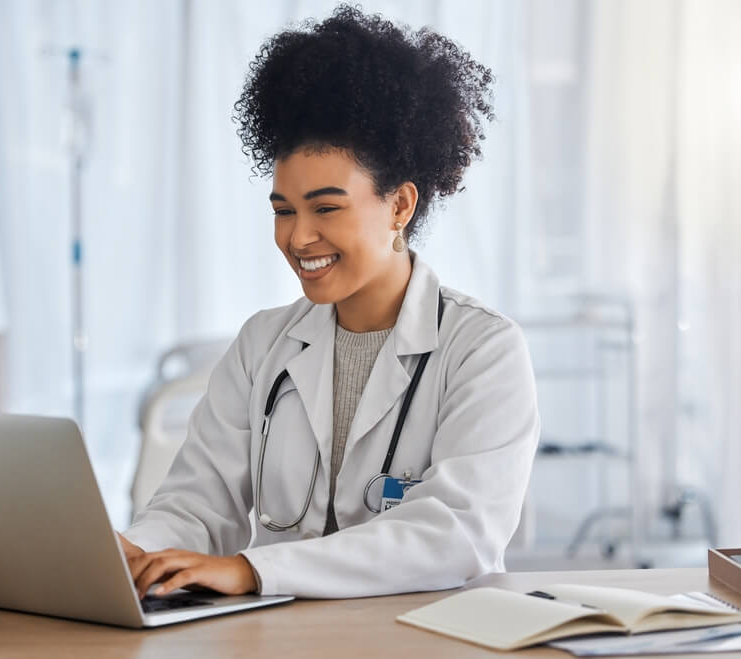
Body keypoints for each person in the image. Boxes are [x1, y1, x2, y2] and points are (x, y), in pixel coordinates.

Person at [119, 5, 539, 599]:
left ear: (399, 207)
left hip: (421, 636)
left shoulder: (483, 348)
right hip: (279, 636)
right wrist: (135, 548)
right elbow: (197, 502)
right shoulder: (263, 343)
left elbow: (455, 534)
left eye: (326, 208)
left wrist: (254, 570)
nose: (297, 237)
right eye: (283, 210)